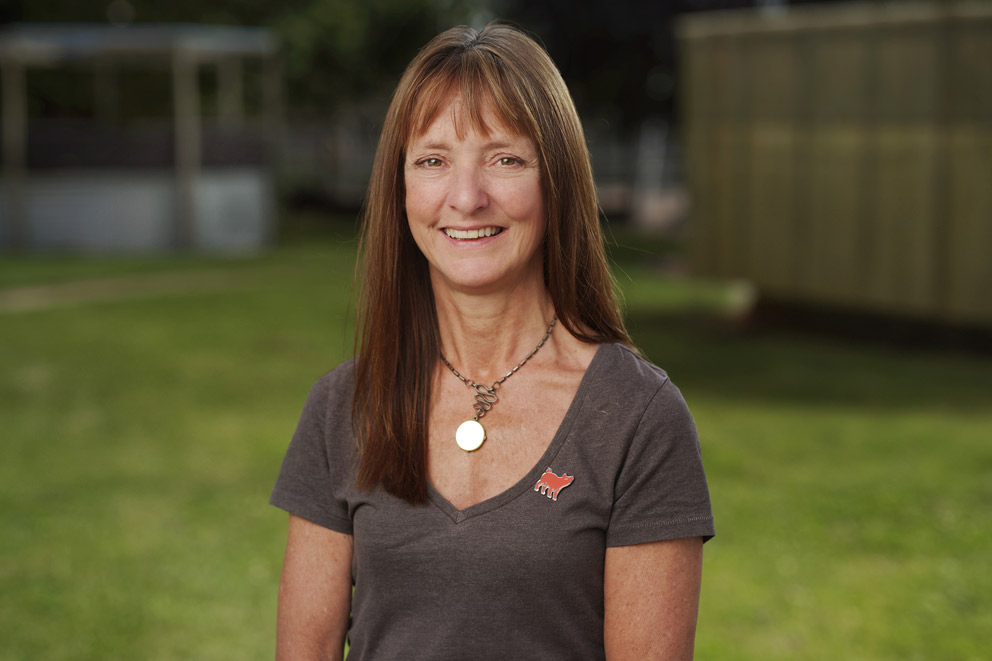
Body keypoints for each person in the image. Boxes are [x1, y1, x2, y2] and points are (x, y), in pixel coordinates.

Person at [270, 23, 714, 660]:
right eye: (433, 161)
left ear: (557, 180)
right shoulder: (343, 406)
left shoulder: (637, 417)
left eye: (505, 159)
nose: (466, 198)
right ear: (400, 188)